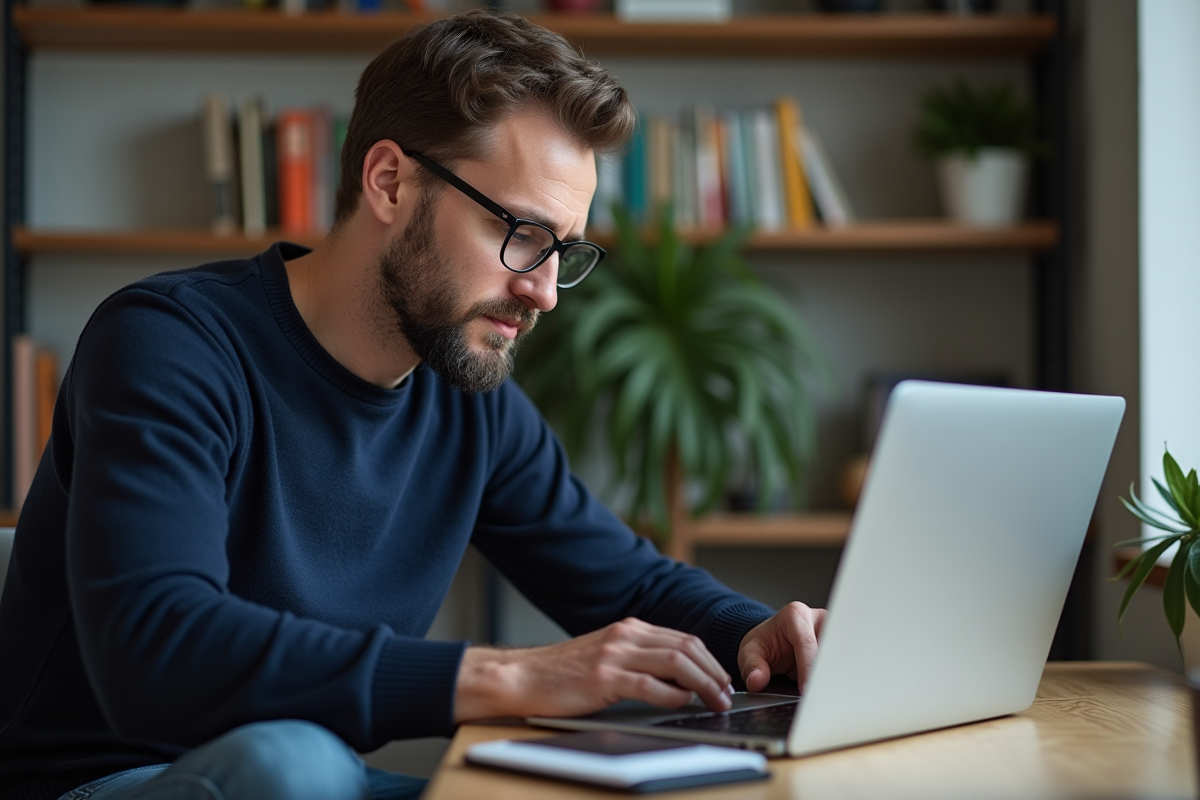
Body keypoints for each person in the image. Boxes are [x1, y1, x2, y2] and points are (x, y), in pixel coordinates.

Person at [0, 11, 824, 800]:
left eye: (563, 252)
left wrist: (755, 633)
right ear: (390, 182)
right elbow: (158, 650)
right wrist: (510, 675)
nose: (542, 293)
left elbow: (621, 577)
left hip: (324, 781)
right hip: (111, 781)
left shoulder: (463, 387)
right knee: (299, 767)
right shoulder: (170, 343)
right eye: (523, 234)